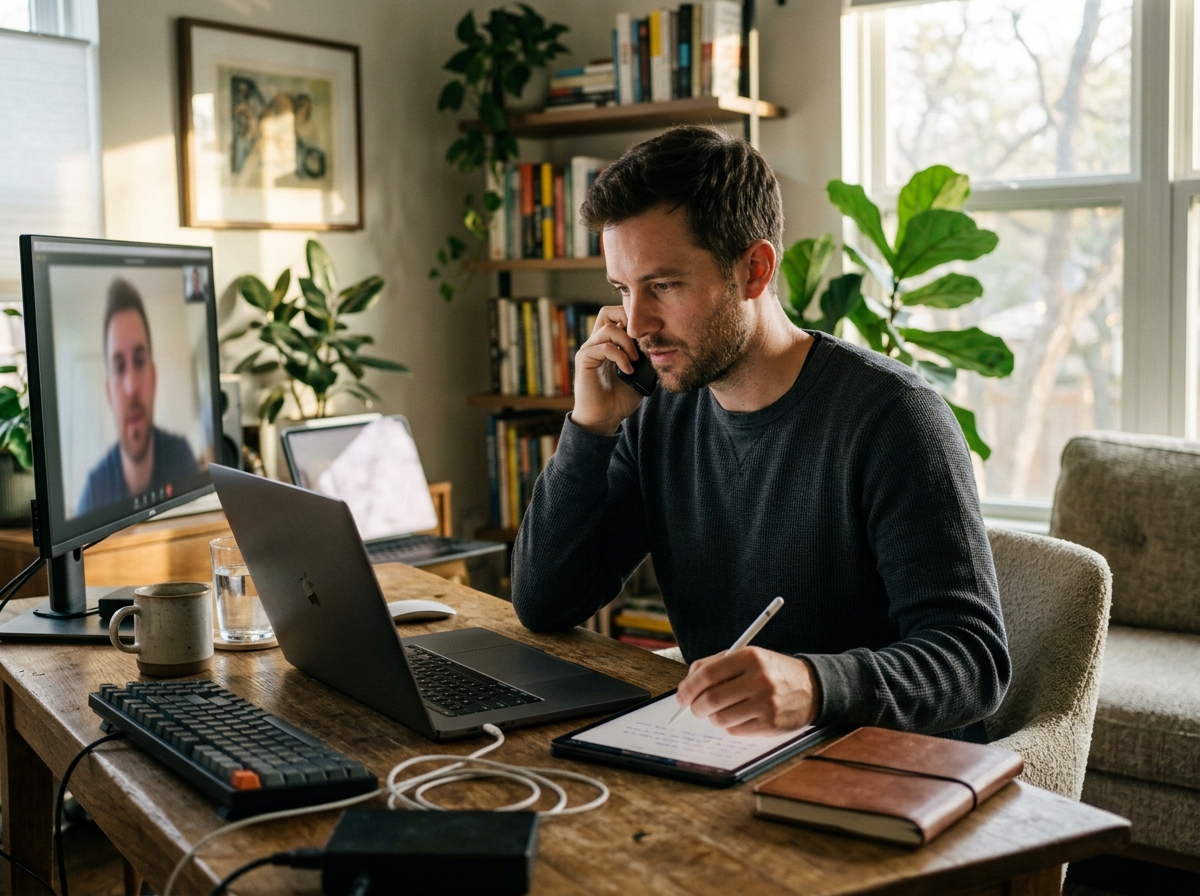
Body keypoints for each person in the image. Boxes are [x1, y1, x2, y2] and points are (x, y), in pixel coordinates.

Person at [511, 126, 1010, 741]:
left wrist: (816, 686)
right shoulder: (656, 414)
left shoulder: (894, 417)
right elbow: (545, 604)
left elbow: (973, 662)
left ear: (754, 269)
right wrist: (590, 430)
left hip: (880, 772)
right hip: (728, 754)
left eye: (663, 285)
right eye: (622, 289)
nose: (636, 323)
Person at [76, 279, 200, 516]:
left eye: (140, 361)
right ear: (109, 393)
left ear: (153, 377)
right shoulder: (94, 491)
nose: (131, 387)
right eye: (119, 367)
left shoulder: (181, 457)